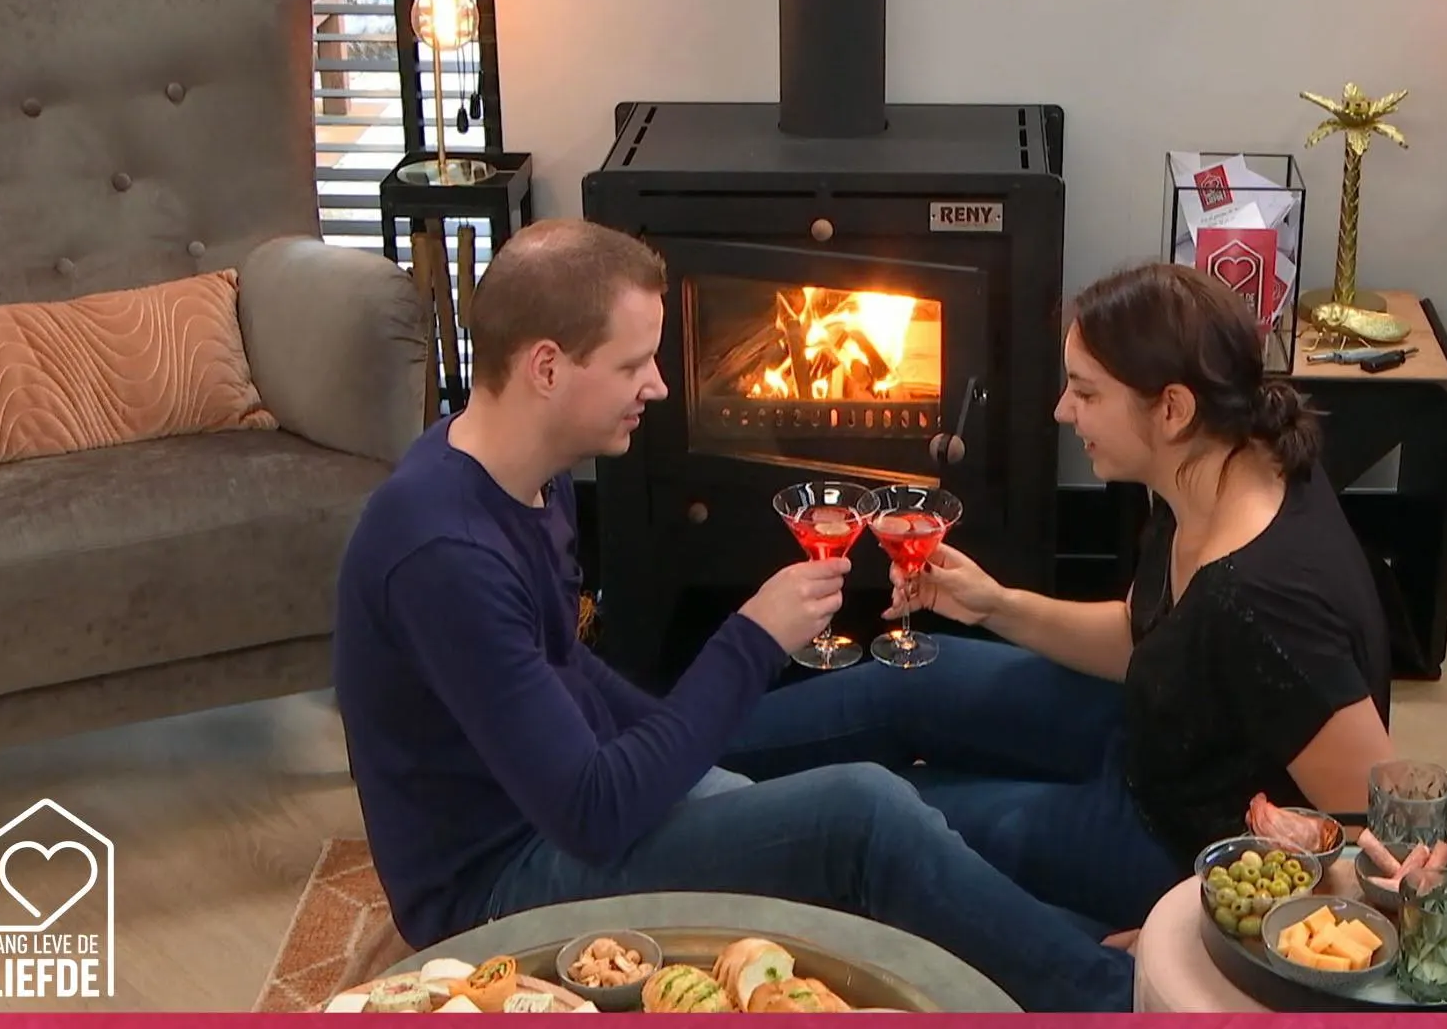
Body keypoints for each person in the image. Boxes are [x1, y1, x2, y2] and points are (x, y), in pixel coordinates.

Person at [331, 218, 1133, 1013]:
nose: (658, 386)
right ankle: (1119, 1000)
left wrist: (687, 749)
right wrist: (751, 640)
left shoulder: (528, 476)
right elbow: (592, 813)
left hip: (575, 795)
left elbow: (566, 670)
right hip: (501, 885)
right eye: (633, 364)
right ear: (546, 368)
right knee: (860, 815)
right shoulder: (443, 553)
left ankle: (1104, 893)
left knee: (890, 706)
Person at [721, 261, 1398, 940]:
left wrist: (1199, 933)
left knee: (888, 816)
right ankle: (680, 758)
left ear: (1172, 408)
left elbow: (1383, 830)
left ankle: (706, 846)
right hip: (1149, 734)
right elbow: (1149, 639)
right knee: (908, 679)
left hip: (1166, 841)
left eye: (1085, 391)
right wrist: (993, 605)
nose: (1062, 410)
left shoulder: (1264, 603)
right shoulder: (1213, 467)